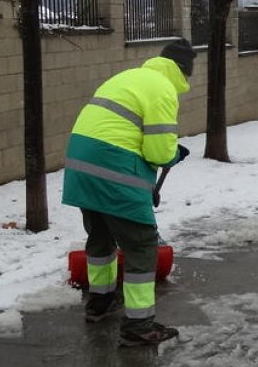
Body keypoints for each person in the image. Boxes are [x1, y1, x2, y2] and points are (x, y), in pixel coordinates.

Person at [61, 37, 196, 345]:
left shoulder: (127, 77)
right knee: (141, 245)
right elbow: (159, 153)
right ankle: (138, 326)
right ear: (183, 71)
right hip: (113, 168)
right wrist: (176, 153)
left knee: (101, 236)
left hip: (81, 165)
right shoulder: (163, 89)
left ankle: (100, 301)